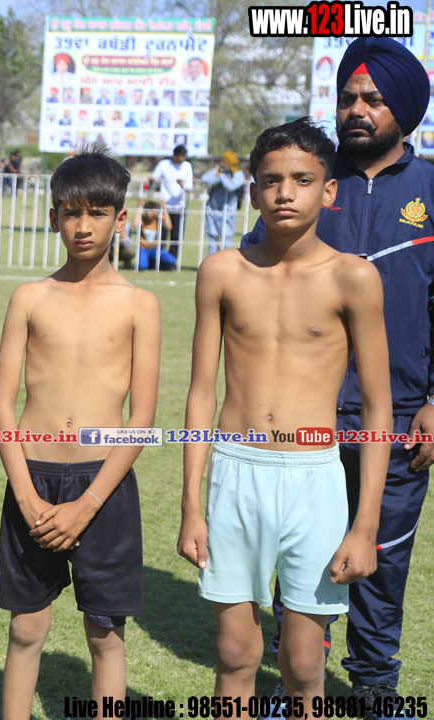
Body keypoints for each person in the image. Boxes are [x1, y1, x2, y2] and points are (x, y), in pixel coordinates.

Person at [242, 39, 434, 709]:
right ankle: (296, 679)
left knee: (381, 553)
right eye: (348, 97)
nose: (356, 109)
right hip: (307, 417)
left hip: (398, 414)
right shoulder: (312, 182)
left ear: (403, 108)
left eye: (373, 99)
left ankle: (377, 686)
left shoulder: (430, 190)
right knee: (300, 552)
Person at [180, 117, 391, 704]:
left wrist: (366, 525)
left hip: (314, 479)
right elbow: (200, 392)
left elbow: (378, 408)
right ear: (253, 191)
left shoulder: (354, 277)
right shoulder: (222, 271)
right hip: (235, 472)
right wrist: (191, 502)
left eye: (302, 179)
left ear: (329, 190)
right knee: (234, 652)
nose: (285, 193)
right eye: (271, 180)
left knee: (302, 663)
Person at [0, 144, 160, 715]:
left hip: (103, 486)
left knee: (105, 634)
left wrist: (87, 504)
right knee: (25, 630)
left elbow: (141, 419)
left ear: (121, 218)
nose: (83, 226)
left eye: (96, 213)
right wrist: (25, 495)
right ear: (53, 217)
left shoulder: (139, 304)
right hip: (33, 481)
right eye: (71, 213)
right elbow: (1, 404)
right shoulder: (29, 297)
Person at [150, 144, 192, 259]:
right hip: (164, 207)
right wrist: (151, 180)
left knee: (176, 235)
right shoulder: (164, 164)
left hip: (179, 207)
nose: (184, 158)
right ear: (175, 156)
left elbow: (190, 186)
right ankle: (159, 259)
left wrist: (183, 184)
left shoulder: (187, 166)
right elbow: (154, 178)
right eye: (181, 156)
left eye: (185, 156)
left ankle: (172, 261)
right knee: (161, 234)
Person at [201, 151, 247, 255]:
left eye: (225, 162)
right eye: (222, 161)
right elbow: (205, 178)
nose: (222, 163)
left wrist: (220, 177)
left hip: (227, 212)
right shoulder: (219, 170)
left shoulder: (238, 174)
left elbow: (230, 187)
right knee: (212, 239)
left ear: (231, 163)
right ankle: (212, 263)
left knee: (226, 240)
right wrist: (223, 177)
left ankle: (224, 263)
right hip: (211, 210)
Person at [133, 199, 176, 270]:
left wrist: (164, 208)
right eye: (147, 211)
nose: (149, 213)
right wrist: (138, 207)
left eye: (151, 211)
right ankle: (149, 263)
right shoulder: (142, 219)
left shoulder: (158, 219)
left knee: (171, 260)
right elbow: (135, 224)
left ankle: (157, 265)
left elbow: (169, 227)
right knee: (142, 266)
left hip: (157, 249)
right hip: (144, 248)